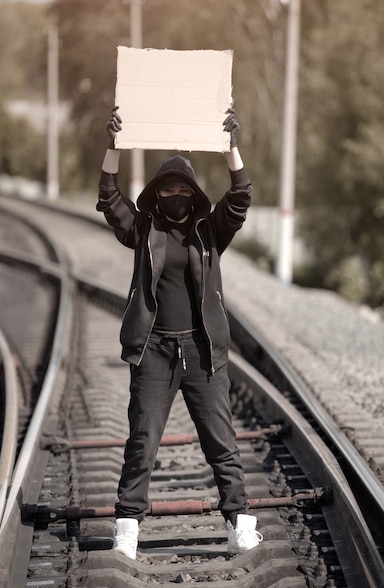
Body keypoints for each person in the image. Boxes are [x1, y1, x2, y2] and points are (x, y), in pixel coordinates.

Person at [96, 103, 262, 559]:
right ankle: (127, 527)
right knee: (142, 439)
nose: (174, 195)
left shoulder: (210, 231)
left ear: (193, 193)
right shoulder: (143, 229)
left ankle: (239, 523)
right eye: (167, 189)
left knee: (221, 443)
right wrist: (113, 146)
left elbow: (242, 195)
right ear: (156, 193)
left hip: (202, 351)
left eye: (181, 189)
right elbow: (109, 198)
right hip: (154, 351)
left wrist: (231, 148)